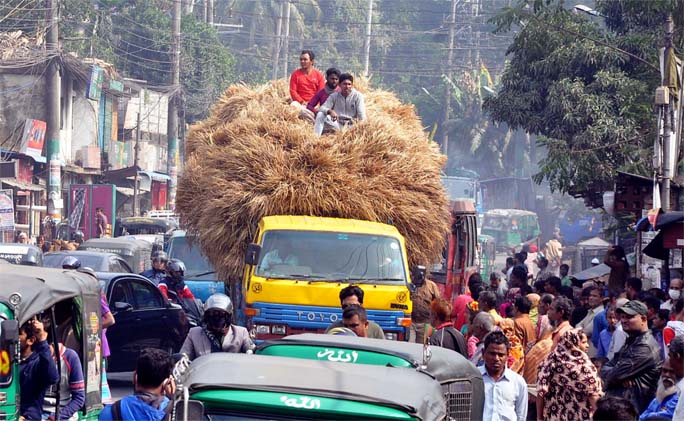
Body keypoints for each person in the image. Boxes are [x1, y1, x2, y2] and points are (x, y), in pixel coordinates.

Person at [600, 300, 664, 413]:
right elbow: (606, 367)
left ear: (643, 319)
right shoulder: (632, 341)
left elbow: (613, 375)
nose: (624, 320)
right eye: (623, 317)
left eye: (629, 317)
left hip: (635, 410)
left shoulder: (645, 346)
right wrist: (615, 375)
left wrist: (615, 376)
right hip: (622, 408)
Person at [536, 328, 603, 420]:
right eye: (583, 342)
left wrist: (539, 417)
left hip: (554, 416)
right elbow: (593, 395)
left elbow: (541, 392)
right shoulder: (583, 366)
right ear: (572, 344)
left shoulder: (550, 360)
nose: (587, 346)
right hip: (579, 416)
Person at [99, 348, 175, 421]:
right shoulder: (175, 413)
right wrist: (173, 398)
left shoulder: (110, 412)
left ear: (135, 377)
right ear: (166, 383)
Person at [180, 293, 253, 360]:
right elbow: (184, 356)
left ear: (228, 316)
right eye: (212, 313)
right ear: (206, 316)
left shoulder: (241, 332)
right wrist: (181, 359)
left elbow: (250, 352)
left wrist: (250, 351)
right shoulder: (194, 333)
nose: (217, 317)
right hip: (205, 373)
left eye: (221, 314)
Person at [42, 318, 86, 421]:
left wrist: (55, 418)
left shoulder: (70, 357)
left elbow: (79, 398)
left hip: (62, 413)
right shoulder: (31, 357)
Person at [479, 331, 528, 421]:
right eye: (492, 354)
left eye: (501, 355)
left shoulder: (518, 382)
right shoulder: (474, 378)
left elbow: (521, 416)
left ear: (508, 355)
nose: (496, 359)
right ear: (483, 353)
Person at [19, 319, 59, 420]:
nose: (13, 338)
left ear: (30, 340)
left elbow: (52, 378)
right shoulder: (9, 361)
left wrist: (42, 341)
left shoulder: (37, 363)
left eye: (19, 334)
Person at [409, 276, 440, 344]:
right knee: (409, 345)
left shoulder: (431, 286)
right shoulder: (410, 284)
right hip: (411, 322)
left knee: (423, 347)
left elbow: (438, 302)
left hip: (425, 323)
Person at [576, 285, 604, 357]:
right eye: (590, 295)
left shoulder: (601, 313)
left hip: (593, 352)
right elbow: (577, 325)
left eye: (594, 296)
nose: (591, 298)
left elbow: (587, 331)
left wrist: (581, 329)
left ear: (601, 299)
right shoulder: (590, 311)